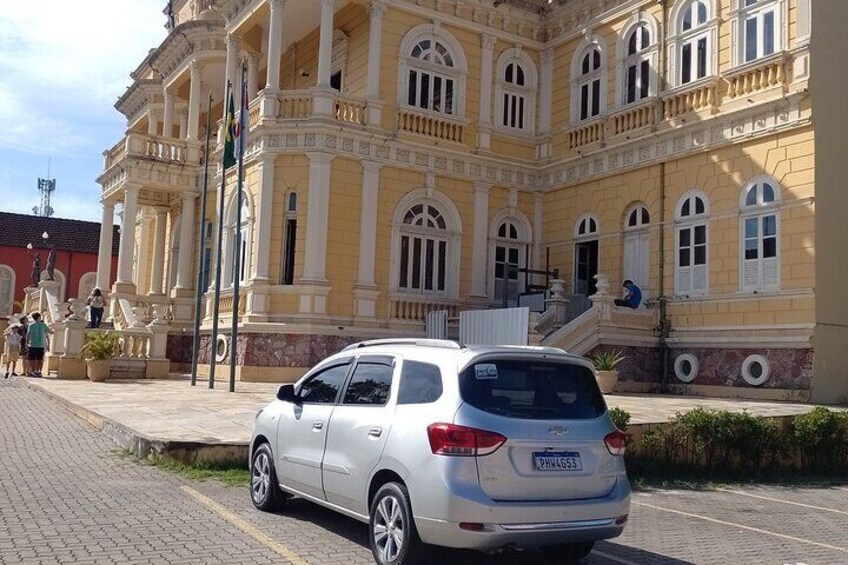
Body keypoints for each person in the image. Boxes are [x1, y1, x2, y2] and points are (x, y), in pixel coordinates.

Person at [25, 312, 52, 378]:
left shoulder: (31, 325)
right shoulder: (43, 325)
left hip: (32, 345)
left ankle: (33, 371)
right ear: (39, 317)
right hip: (40, 345)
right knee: (40, 359)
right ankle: (39, 371)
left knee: (32, 359)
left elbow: (28, 335)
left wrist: (26, 343)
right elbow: (50, 331)